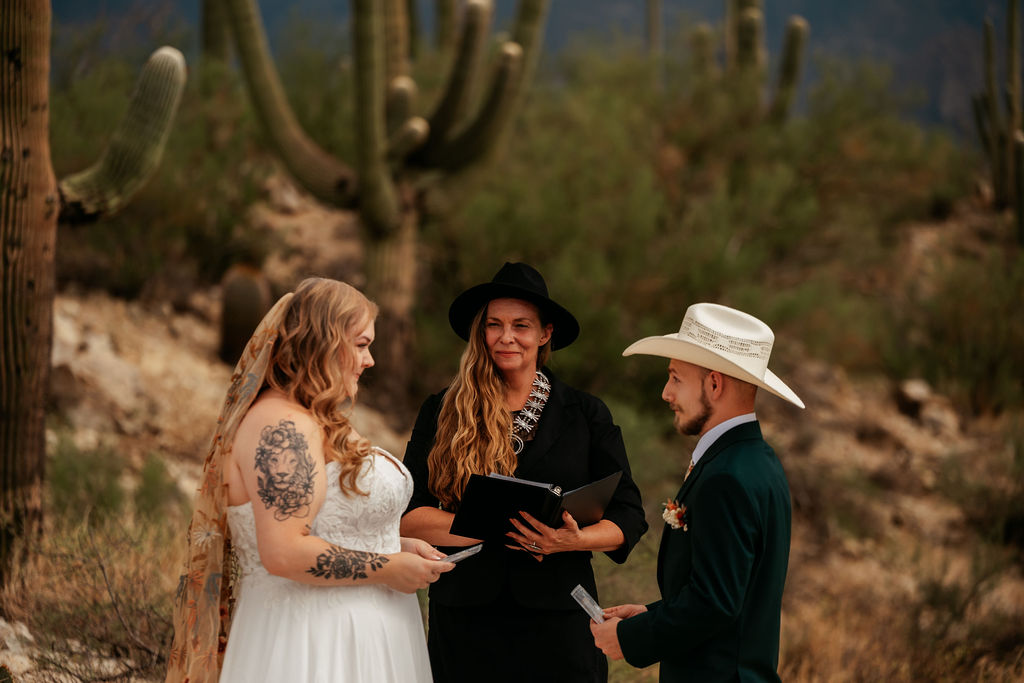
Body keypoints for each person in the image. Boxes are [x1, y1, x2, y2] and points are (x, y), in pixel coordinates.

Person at [165, 277, 453, 683]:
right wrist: (386, 566)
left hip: (369, 635)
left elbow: (322, 524)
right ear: (322, 342)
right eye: (361, 344)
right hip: (311, 643)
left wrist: (392, 543)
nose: (370, 360)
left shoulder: (314, 420)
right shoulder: (280, 427)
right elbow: (283, 552)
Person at [400, 262, 648, 683]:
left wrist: (570, 540)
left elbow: (629, 517)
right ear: (481, 332)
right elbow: (408, 515)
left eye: (521, 325)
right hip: (466, 619)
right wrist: (495, 527)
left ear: (545, 334)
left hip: (560, 619)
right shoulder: (442, 410)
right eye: (494, 324)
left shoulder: (586, 414)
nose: (506, 337)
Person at [590, 302, 804, 682]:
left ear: (715, 383)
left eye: (675, 378)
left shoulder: (727, 477)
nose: (665, 393)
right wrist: (652, 614)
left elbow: (714, 603)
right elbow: (724, 590)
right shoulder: (758, 460)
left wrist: (630, 638)